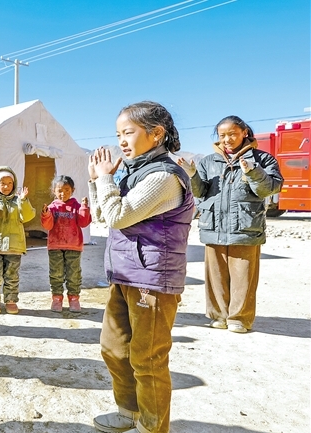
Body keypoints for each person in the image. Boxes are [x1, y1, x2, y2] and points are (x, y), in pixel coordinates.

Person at [90, 101, 194, 433]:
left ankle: (152, 426)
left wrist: (106, 180)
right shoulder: (135, 173)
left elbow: (119, 215)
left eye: (128, 132)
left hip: (152, 281)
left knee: (147, 358)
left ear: (156, 133)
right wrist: (98, 182)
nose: (121, 140)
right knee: (114, 348)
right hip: (125, 275)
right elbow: (102, 216)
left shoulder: (164, 176)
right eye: (118, 133)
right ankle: (128, 413)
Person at [177, 115, 283, 333]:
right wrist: (193, 175)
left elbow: (269, 189)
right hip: (213, 225)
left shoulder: (263, 159)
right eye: (222, 135)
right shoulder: (208, 161)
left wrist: (253, 172)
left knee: (243, 276)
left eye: (232, 134)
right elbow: (201, 192)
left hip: (245, 227)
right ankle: (218, 316)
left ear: (244, 133)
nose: (226, 139)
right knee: (215, 276)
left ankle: (239, 319)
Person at [0, 166, 35, 314]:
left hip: (14, 246)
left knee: (12, 276)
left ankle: (10, 301)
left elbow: (27, 217)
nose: (6, 186)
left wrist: (23, 201)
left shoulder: (19, 201)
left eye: (10, 183)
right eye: (3, 183)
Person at [41, 175, 92, 312]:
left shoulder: (76, 206)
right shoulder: (52, 207)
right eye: (59, 190)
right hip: (55, 246)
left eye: (67, 190)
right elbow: (48, 226)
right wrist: (46, 214)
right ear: (54, 191)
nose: (63, 193)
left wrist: (84, 208)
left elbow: (83, 222)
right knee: (56, 274)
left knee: (73, 274)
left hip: (73, 246)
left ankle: (74, 298)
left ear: (73, 190)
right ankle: (57, 298)